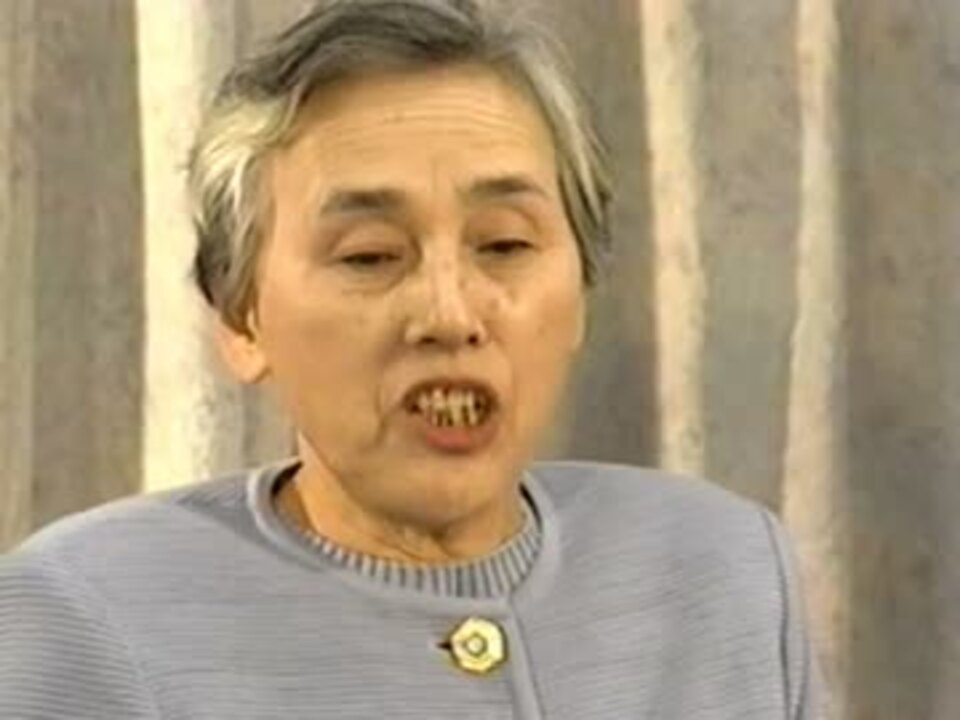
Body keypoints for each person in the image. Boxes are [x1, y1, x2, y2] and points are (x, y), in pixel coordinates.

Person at [0, 0, 825, 717]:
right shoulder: (88, 614)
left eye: (504, 244)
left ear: (579, 288)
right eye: (369, 255)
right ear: (241, 320)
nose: (450, 314)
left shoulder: (724, 568)